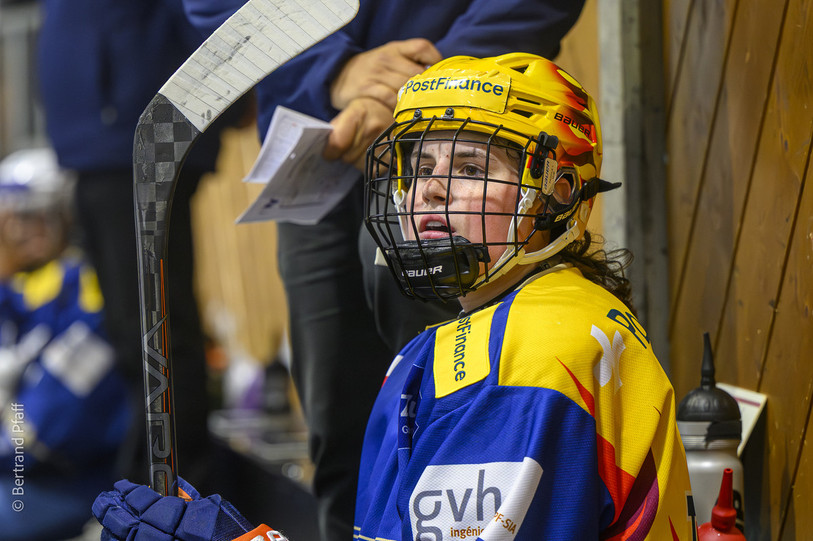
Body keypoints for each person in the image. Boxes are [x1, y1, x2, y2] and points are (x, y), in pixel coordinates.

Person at [92, 53, 697, 541]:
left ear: (558, 191)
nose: (430, 189)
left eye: (469, 167)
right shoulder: (521, 320)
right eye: (422, 165)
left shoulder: (528, 352)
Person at [180, 3, 586, 540]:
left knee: (464, 419)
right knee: (337, 425)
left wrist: (432, 89)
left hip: (471, 125)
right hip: (319, 139)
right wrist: (331, 70)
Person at [35, 0, 238, 490]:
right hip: (95, 140)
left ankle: (174, 494)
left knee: (156, 331)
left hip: (141, 131)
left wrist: (228, 87)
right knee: (134, 333)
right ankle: (148, 491)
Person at [0, 148, 130, 540]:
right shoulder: (21, 293)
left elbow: (38, 431)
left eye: (35, 214)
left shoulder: (91, 297)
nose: (20, 230)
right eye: (13, 217)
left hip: (71, 487)